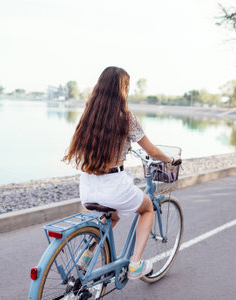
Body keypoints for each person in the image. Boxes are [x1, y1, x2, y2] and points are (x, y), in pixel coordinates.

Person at [63, 66, 181, 280]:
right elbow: (152, 151)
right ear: (122, 89)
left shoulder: (89, 117)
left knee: (113, 215)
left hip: (88, 187)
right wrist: (171, 160)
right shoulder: (126, 117)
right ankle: (135, 264)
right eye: (127, 87)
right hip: (114, 187)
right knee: (146, 209)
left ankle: (87, 255)